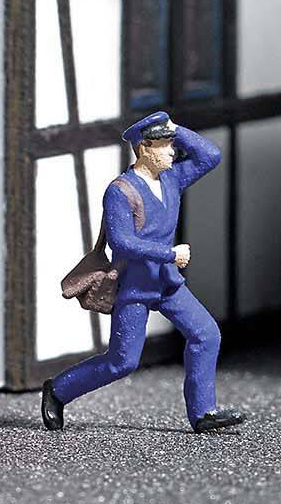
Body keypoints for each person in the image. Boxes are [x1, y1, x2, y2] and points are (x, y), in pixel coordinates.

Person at [42, 110, 249, 434]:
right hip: (135, 286)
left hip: (167, 283)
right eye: (164, 145)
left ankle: (203, 412)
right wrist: (169, 253)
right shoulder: (121, 191)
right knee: (122, 362)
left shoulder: (171, 179)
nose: (172, 151)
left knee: (206, 334)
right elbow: (122, 243)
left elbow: (211, 155)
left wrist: (175, 128)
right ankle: (58, 390)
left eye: (172, 144)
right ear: (144, 149)